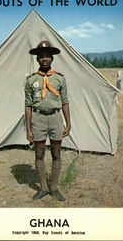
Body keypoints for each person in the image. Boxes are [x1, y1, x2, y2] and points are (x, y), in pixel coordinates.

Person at [25, 40, 71, 201]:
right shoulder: (31, 80)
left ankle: (54, 187)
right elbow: (28, 105)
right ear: (37, 59)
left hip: (55, 118)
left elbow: (65, 101)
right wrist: (29, 128)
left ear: (52, 58)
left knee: (56, 153)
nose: (44, 59)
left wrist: (68, 122)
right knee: (39, 153)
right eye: (41, 57)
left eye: (47, 56)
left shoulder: (60, 79)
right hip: (38, 119)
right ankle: (43, 188)